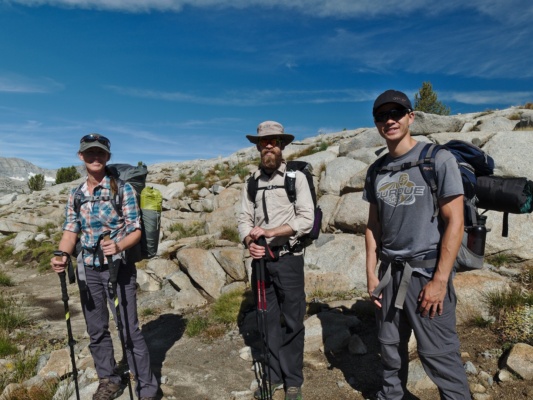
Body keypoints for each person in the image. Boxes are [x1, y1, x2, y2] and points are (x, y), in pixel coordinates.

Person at [363, 90, 471, 400]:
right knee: (389, 351)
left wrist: (439, 280)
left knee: (440, 356)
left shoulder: (437, 159)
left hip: (426, 274)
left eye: (397, 112)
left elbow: (455, 221)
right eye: (382, 116)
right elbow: (373, 226)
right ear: (376, 123)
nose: (390, 120)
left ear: (411, 116)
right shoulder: (376, 170)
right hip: (389, 276)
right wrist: (371, 274)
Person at [50, 133, 158, 400]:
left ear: (107, 156)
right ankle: (108, 379)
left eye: (100, 153)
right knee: (96, 330)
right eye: (89, 153)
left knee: (128, 329)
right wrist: (62, 254)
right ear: (81, 157)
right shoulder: (75, 194)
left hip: (117, 268)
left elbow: (135, 229)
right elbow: (70, 229)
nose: (95, 157)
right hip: (88, 269)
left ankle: (146, 386)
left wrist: (119, 246)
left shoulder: (123, 189)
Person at [238, 121, 314, 400]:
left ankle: (293, 379)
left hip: (288, 259)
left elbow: (306, 219)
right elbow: (243, 220)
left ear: (282, 145)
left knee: (293, 320)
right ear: (258, 146)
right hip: (259, 263)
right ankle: (272, 375)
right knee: (265, 319)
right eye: (263, 142)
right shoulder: (251, 182)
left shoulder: (296, 179)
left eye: (274, 141)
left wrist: (270, 232)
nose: (268, 146)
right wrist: (249, 241)